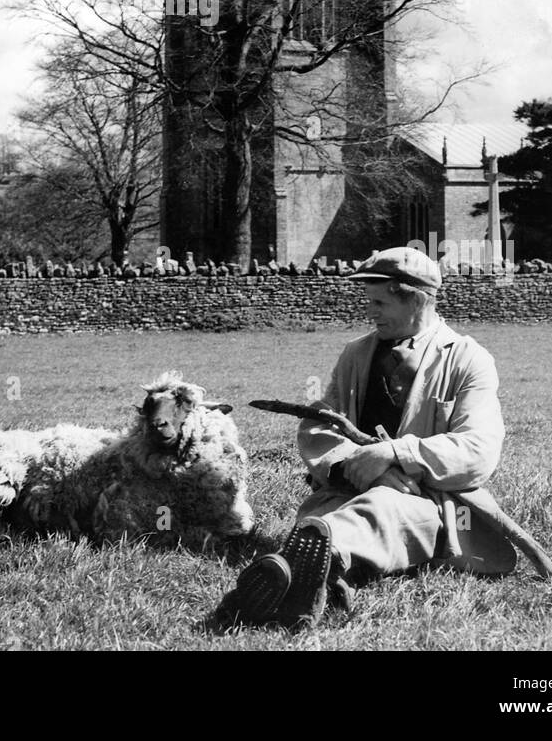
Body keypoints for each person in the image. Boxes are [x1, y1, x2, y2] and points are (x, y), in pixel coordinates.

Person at [217, 245, 510, 631]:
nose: (369, 312)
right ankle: (322, 583)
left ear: (417, 300)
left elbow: (479, 449)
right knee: (322, 517)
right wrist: (354, 468)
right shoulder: (355, 353)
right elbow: (319, 425)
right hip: (345, 491)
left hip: (422, 500)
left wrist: (395, 453)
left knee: (381, 510)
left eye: (379, 303)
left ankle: (291, 573)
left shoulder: (469, 359)